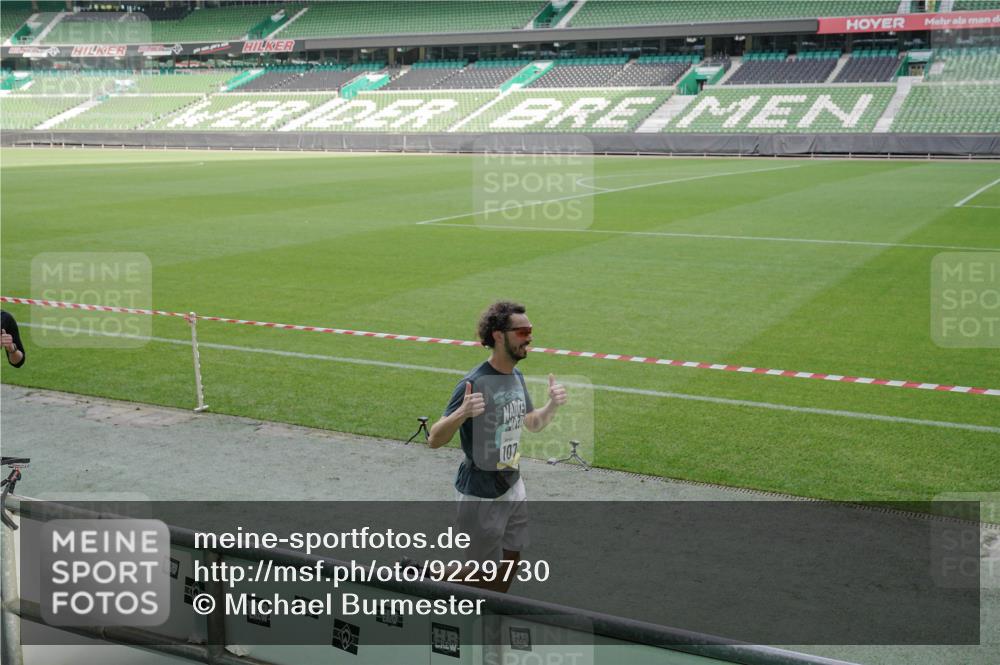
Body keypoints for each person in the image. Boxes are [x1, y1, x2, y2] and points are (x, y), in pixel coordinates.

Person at [427, 301, 566, 592]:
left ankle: (494, 612)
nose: (529, 337)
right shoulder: (474, 382)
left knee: (511, 559)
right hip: (480, 493)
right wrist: (461, 413)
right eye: (523, 331)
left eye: (531, 330)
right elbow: (435, 439)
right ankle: (423, 573)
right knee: (482, 576)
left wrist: (552, 404)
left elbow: (532, 423)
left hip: (512, 482)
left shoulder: (515, 377)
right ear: (499, 336)